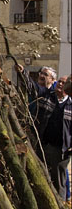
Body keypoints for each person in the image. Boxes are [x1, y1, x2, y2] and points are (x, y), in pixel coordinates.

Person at [18, 66, 72, 200]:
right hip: (43, 144)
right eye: (59, 81)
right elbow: (32, 87)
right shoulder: (47, 96)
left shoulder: (71, 105)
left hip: (60, 149)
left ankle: (61, 204)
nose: (60, 84)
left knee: (58, 179)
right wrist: (23, 73)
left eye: (63, 82)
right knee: (41, 175)